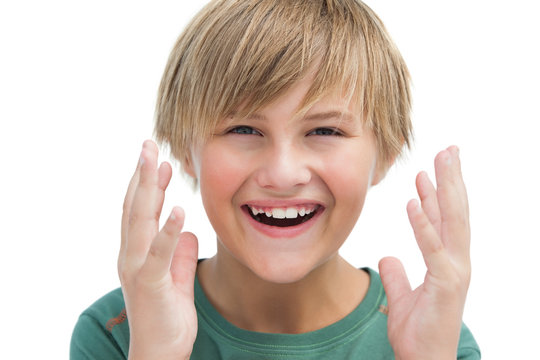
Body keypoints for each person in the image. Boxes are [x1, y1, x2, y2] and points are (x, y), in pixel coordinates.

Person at [70, 0, 480, 358]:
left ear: (386, 153)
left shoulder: (436, 337)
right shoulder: (119, 333)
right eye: (244, 130)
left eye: (325, 131)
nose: (283, 174)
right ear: (183, 149)